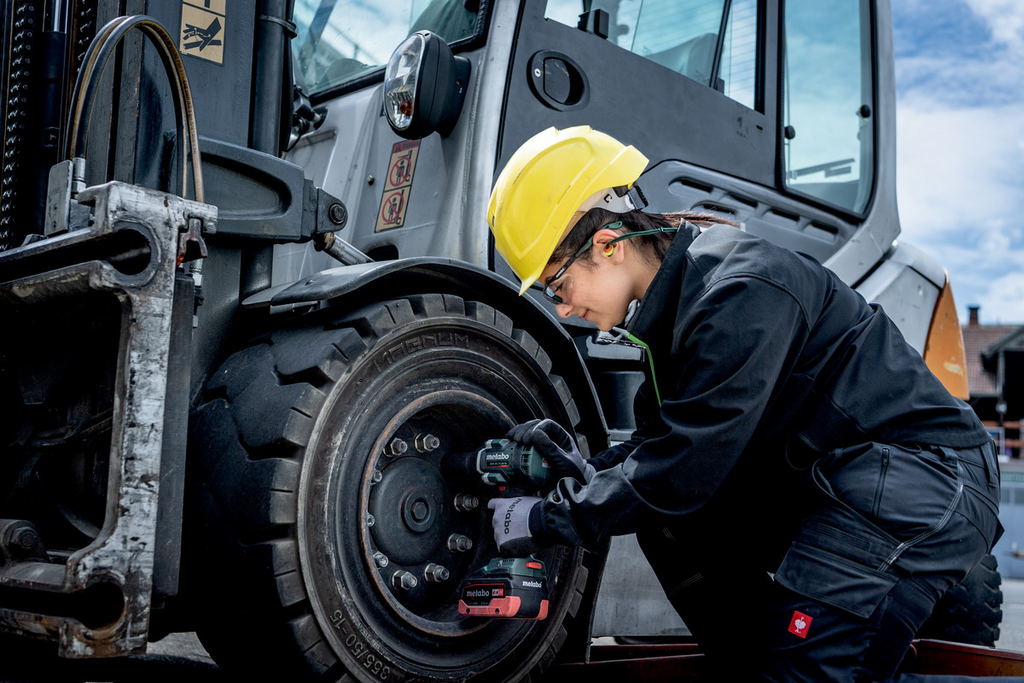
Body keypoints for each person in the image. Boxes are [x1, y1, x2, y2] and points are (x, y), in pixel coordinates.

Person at [485, 126, 1004, 682]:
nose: (562, 310)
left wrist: (548, 517)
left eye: (557, 285)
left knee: (808, 670)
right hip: (842, 484)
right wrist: (584, 470)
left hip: (921, 478)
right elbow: (658, 454)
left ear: (607, 244)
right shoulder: (674, 319)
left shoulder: (737, 291)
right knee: (666, 525)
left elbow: (682, 470)